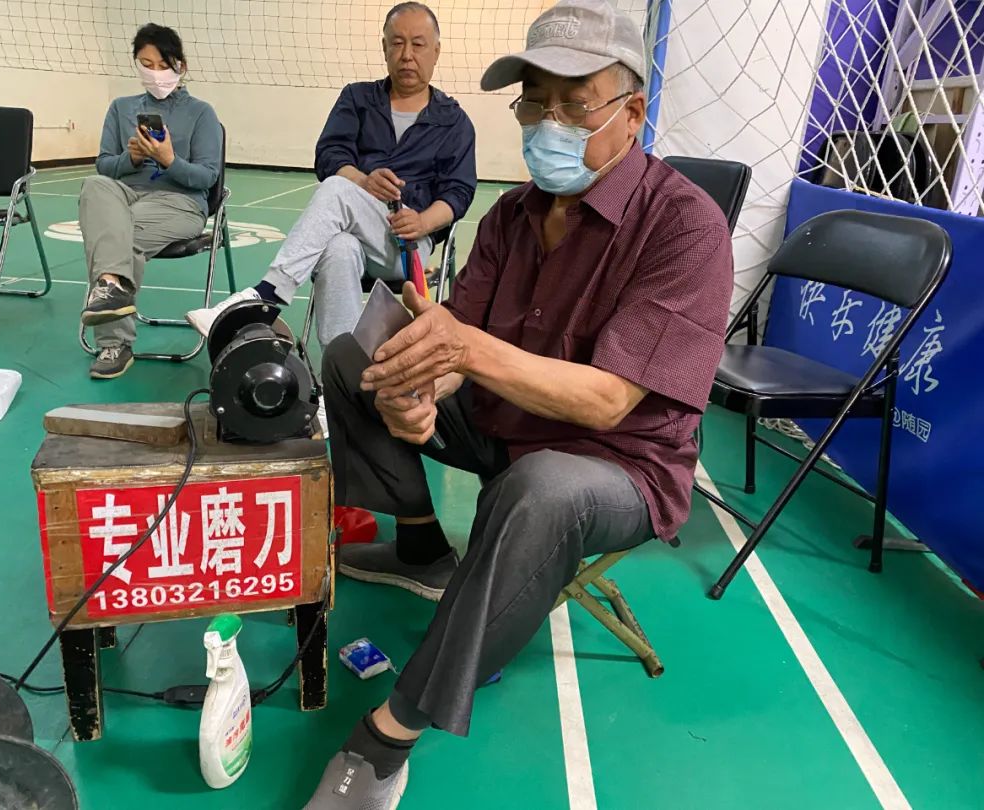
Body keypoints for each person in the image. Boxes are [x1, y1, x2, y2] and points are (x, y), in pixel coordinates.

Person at [300, 0, 734, 806]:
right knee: (355, 356)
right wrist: (420, 392)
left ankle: (388, 737)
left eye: (575, 102)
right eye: (536, 102)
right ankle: (422, 545)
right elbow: (457, 342)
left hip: (617, 463)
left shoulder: (684, 228)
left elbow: (609, 401)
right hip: (504, 420)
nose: (549, 122)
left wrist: (463, 354)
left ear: (632, 111)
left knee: (540, 490)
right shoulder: (511, 215)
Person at [186, 2, 476, 356]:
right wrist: (363, 182)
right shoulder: (357, 99)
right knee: (338, 247)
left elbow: (459, 191)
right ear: (384, 47)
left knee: (337, 188)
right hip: (353, 234)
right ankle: (345, 367)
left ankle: (266, 295)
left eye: (418, 44)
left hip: (406, 246)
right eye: (397, 43)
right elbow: (329, 155)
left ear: (436, 51)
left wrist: (422, 222)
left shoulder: (454, 122)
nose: (407, 55)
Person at [78, 23, 222, 379]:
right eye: (146, 64)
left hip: (180, 202)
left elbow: (207, 178)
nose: (155, 73)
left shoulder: (202, 113)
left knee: (117, 238)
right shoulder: (120, 108)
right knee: (94, 186)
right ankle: (111, 286)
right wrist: (132, 159)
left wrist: (169, 159)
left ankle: (114, 343)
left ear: (180, 66)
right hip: (127, 195)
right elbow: (104, 165)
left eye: (163, 65)